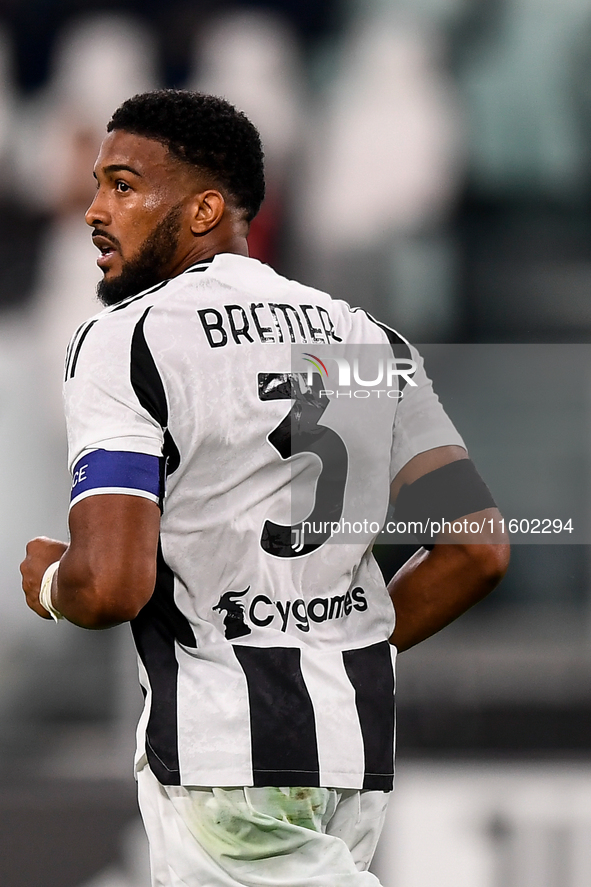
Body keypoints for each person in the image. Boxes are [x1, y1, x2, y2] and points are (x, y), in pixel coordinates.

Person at [20, 90, 509, 887]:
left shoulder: (128, 338)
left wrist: (47, 580)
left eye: (122, 184)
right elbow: (476, 548)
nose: (93, 209)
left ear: (205, 207)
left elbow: (108, 583)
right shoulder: (363, 336)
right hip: (347, 757)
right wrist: (329, 648)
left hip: (224, 753)